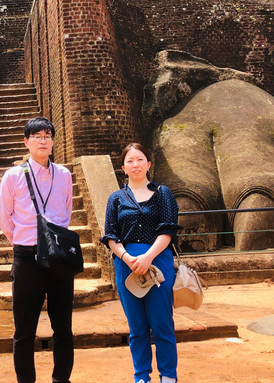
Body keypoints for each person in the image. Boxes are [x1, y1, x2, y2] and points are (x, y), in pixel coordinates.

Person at [0, 117, 75, 383]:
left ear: (53, 142)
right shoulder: (13, 176)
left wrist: (52, 243)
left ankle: (60, 380)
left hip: (58, 259)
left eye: (47, 136)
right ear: (26, 142)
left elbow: (67, 213)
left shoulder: (64, 175)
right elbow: (5, 219)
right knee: (24, 330)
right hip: (27, 257)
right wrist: (24, 241)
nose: (43, 141)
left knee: (63, 328)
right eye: (37, 136)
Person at [101, 143, 181, 383]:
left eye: (140, 160)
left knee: (162, 323)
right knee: (137, 327)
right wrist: (127, 257)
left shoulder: (162, 193)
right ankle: (141, 376)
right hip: (126, 264)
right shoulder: (115, 199)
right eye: (130, 161)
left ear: (148, 164)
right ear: (123, 167)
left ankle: (168, 376)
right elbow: (110, 236)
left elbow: (168, 229)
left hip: (158, 262)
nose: (135, 164)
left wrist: (147, 257)